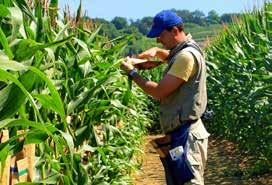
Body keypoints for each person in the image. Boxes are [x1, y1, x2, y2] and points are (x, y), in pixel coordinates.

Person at [121, 10, 210, 185]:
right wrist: (154, 53)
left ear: (174, 31)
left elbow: (159, 92)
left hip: (187, 136)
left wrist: (132, 73)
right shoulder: (184, 50)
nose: (158, 40)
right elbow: (169, 56)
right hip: (181, 134)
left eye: (160, 35)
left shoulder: (185, 57)